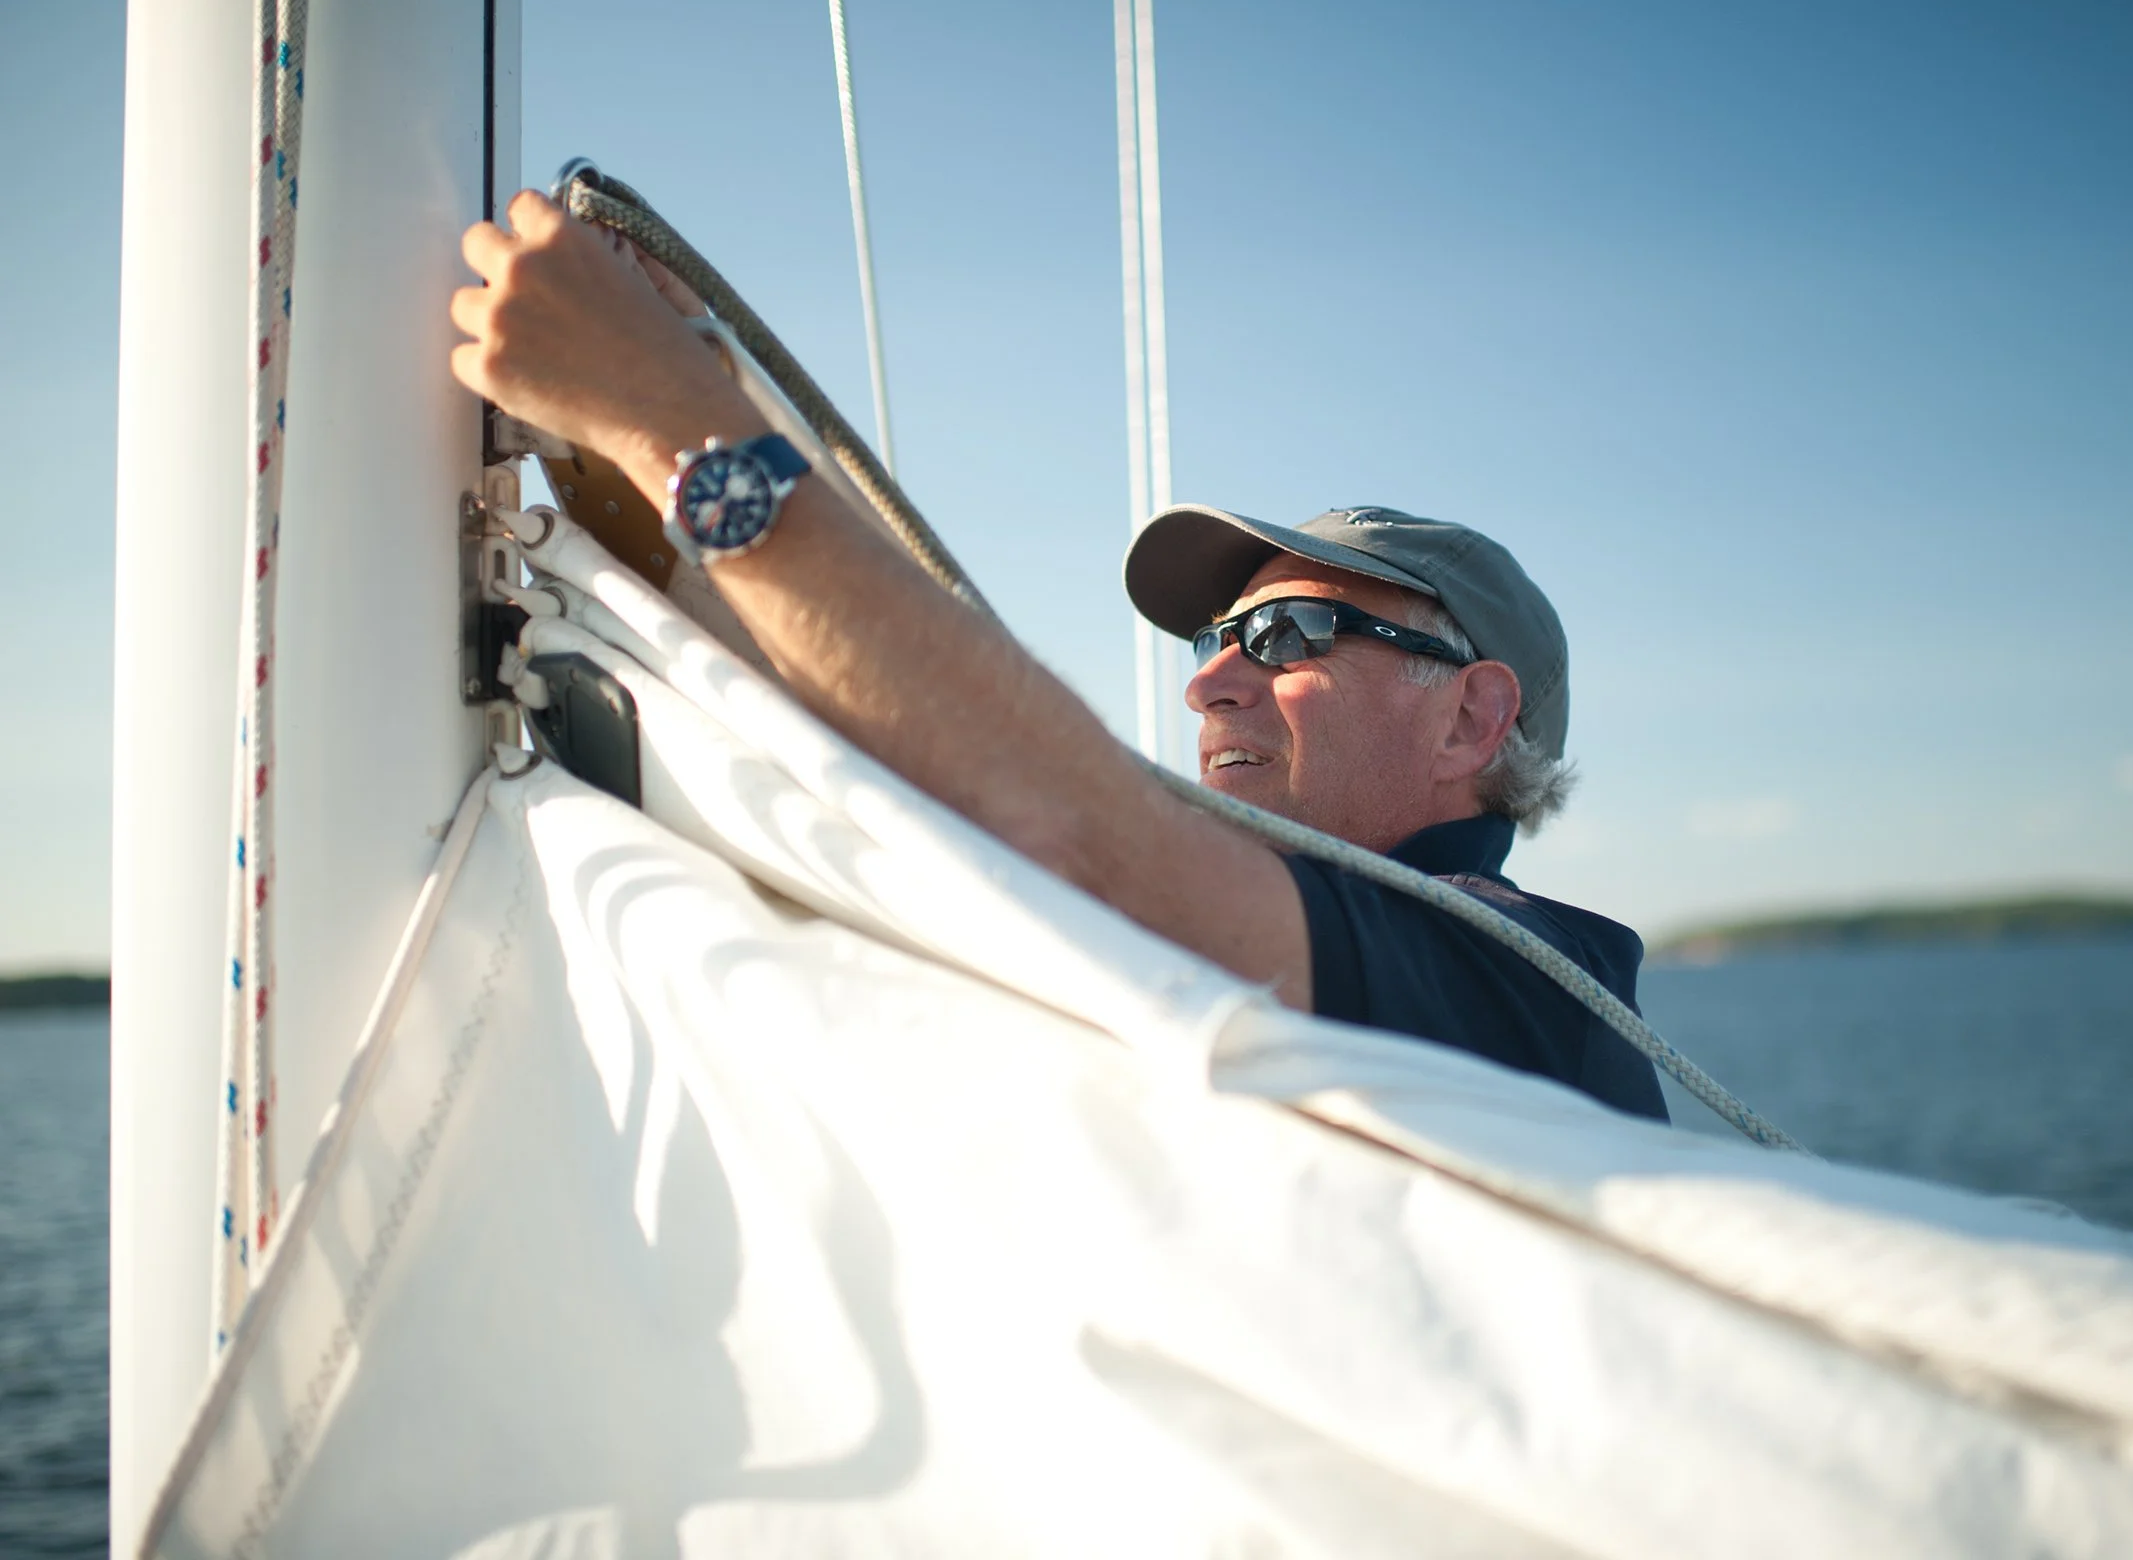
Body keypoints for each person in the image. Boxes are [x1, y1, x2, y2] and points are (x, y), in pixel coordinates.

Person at [449, 191, 1666, 1119]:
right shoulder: (1322, 955)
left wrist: (675, 423)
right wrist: (645, 440)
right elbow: (921, 787)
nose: (1208, 679)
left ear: (1470, 719)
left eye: (1290, 635)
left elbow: (1062, 827)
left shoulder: (1530, 987)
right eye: (1215, 636)